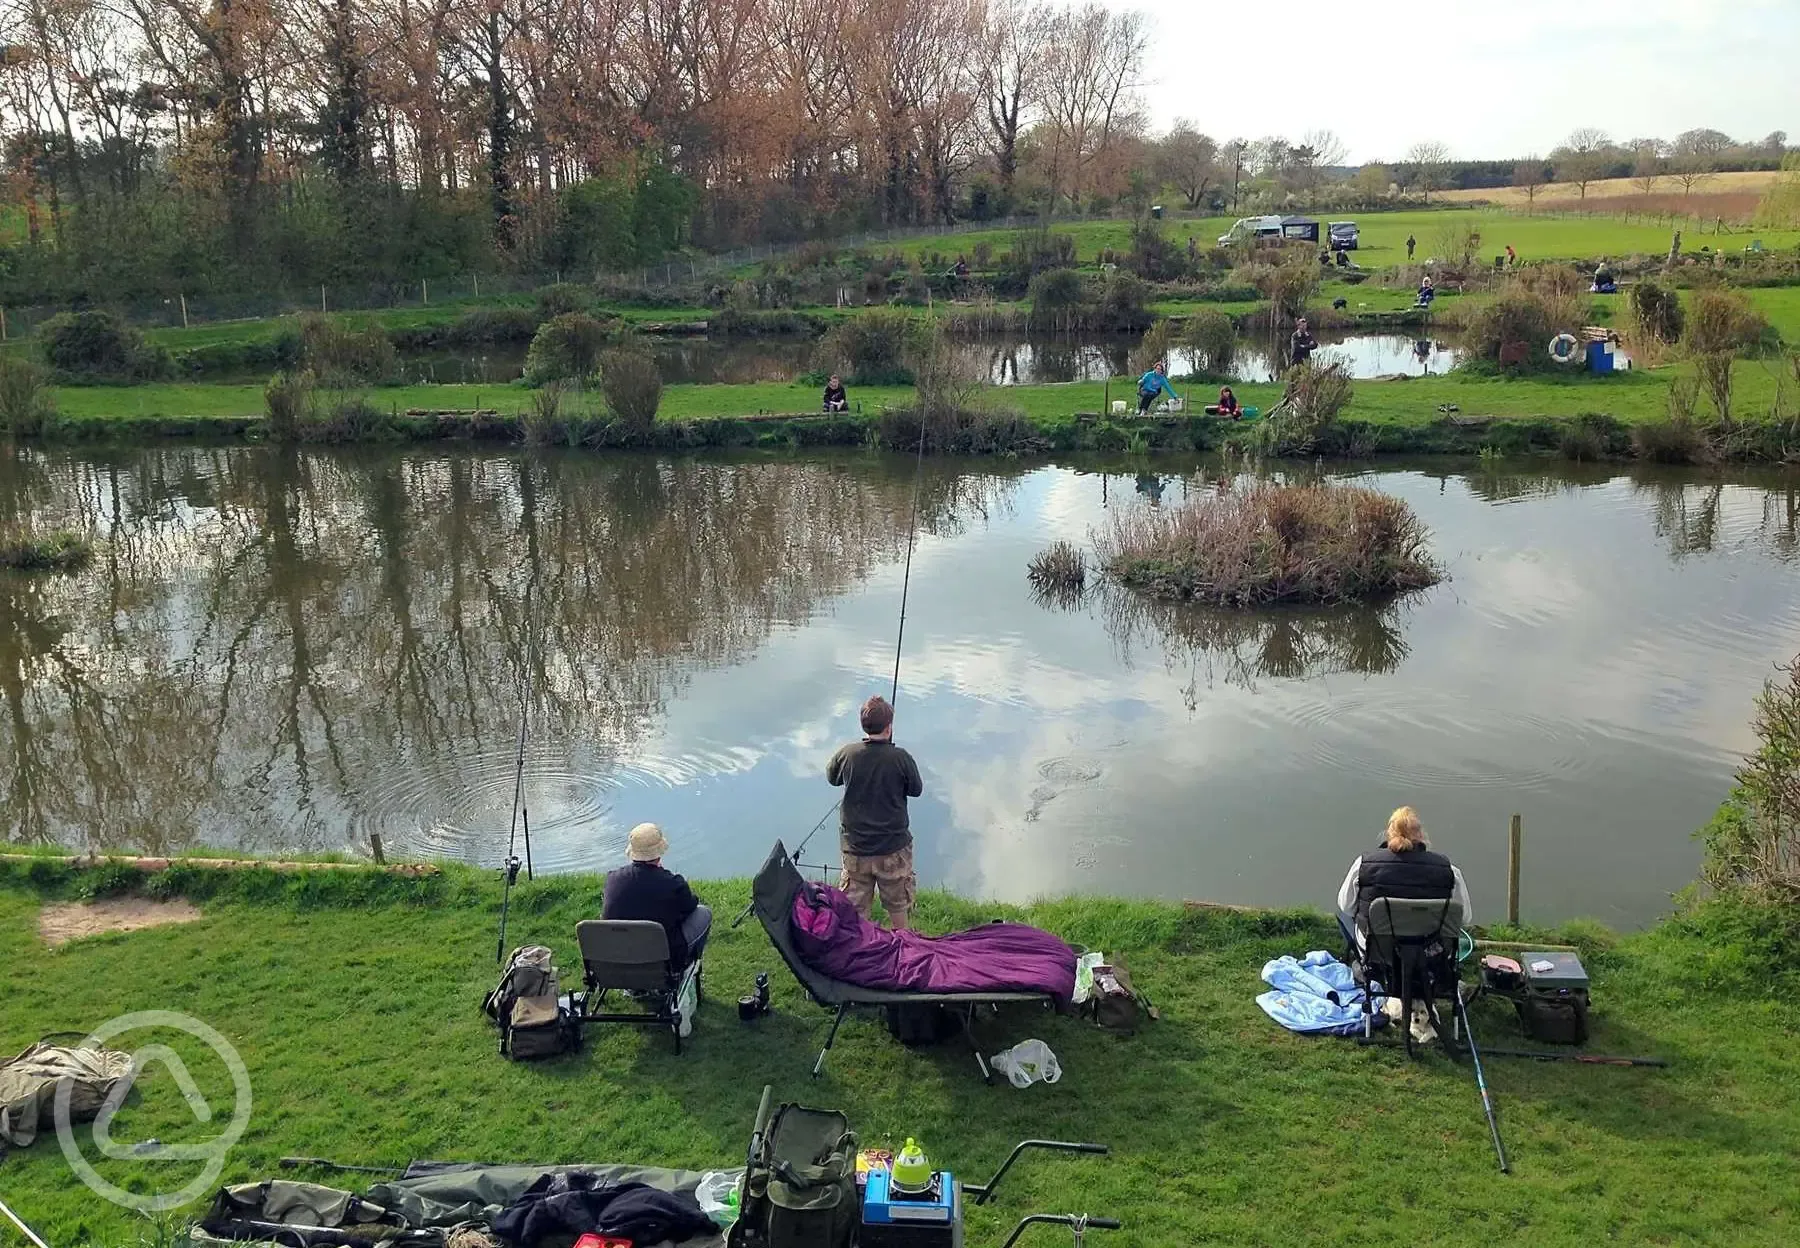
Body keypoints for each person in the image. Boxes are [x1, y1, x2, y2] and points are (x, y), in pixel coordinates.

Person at [827, 695, 923, 930]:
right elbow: (916, 790)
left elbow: (832, 778)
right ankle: (902, 942)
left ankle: (859, 947)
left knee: (855, 911)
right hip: (893, 849)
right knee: (897, 904)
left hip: (856, 848)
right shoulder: (901, 758)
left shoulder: (847, 753)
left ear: (863, 726)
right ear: (889, 727)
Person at [1334, 806, 1472, 956]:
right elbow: (1464, 917)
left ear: (1389, 834)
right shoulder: (1450, 870)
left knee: (1344, 913)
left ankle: (1359, 961)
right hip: (1430, 954)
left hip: (1379, 953)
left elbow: (1346, 907)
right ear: (1421, 835)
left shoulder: (1363, 864)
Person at [602, 823, 710, 972]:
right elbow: (690, 906)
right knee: (703, 913)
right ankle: (685, 968)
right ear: (659, 852)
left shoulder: (612, 879)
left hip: (619, 958)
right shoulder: (673, 883)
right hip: (664, 958)